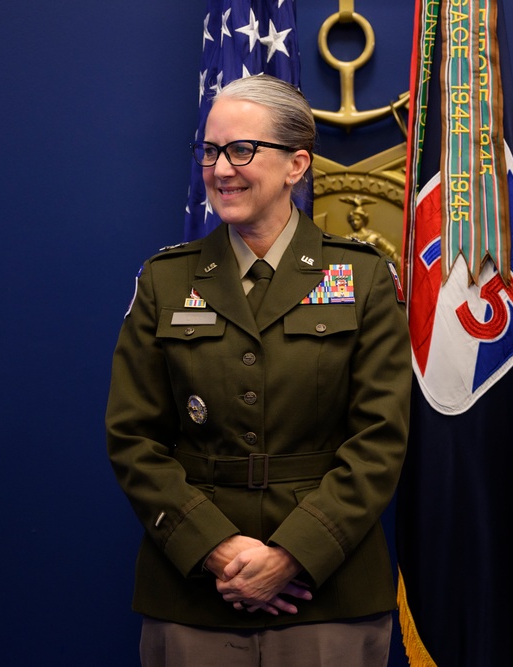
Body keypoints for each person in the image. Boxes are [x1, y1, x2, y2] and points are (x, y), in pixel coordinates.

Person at [106, 74, 411, 666]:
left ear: (297, 164)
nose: (222, 169)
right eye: (211, 151)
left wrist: (292, 555)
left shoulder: (365, 278)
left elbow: (380, 442)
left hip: (326, 591)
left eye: (242, 150)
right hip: (195, 590)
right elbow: (133, 440)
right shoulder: (166, 281)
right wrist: (217, 549)